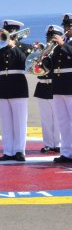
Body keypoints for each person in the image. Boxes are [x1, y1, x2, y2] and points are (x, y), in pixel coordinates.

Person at [0, 19, 33, 161]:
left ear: (15, 32)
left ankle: (19, 151)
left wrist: (13, 46)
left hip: (18, 85)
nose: (6, 34)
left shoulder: (25, 47)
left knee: (19, 121)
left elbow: (26, 62)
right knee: (5, 121)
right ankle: (8, 151)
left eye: (9, 31)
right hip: (3, 86)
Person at [44, 13, 72, 164]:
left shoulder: (64, 43)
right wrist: (45, 57)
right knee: (63, 121)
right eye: (66, 26)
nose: (67, 29)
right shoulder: (61, 43)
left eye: (69, 26)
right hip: (59, 85)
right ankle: (67, 153)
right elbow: (53, 66)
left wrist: (62, 45)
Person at [34, 26, 62, 153]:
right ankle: (48, 143)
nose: (50, 39)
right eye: (49, 36)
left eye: (53, 36)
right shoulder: (43, 51)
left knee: (57, 118)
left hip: (54, 85)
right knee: (46, 118)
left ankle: (59, 143)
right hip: (42, 86)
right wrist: (37, 55)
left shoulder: (59, 51)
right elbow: (35, 69)